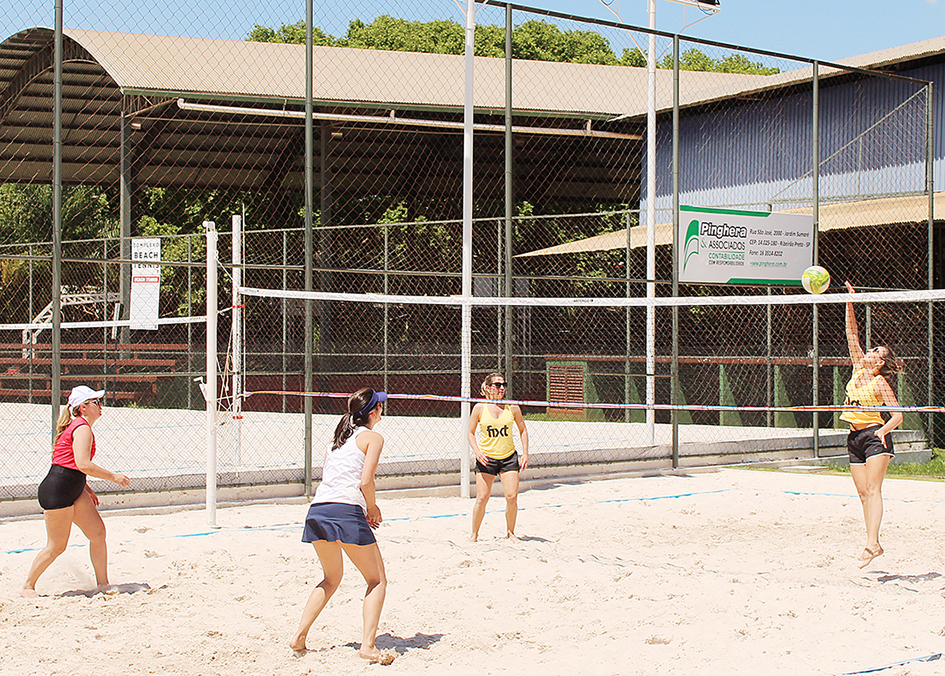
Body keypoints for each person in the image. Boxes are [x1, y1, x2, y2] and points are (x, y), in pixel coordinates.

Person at [291, 388, 389, 661]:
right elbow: (365, 482)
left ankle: (299, 637)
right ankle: (368, 646)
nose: (382, 408)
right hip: (345, 510)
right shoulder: (373, 438)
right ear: (373, 412)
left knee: (331, 578)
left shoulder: (336, 441)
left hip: (318, 510)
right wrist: (372, 509)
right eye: (380, 405)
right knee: (377, 580)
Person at [21, 385, 131, 597]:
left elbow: (72, 464)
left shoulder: (81, 426)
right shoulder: (81, 428)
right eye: (96, 402)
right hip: (57, 491)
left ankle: (103, 585)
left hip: (73, 487)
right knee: (56, 547)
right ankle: (28, 586)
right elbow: (83, 464)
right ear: (83, 408)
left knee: (98, 533)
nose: (101, 406)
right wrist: (113, 477)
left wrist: (85, 486)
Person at [841, 281, 903, 569]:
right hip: (854, 437)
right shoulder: (857, 368)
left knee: (874, 490)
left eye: (876, 350)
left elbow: (898, 416)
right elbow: (851, 333)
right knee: (863, 493)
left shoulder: (880, 382)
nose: (869, 349)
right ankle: (873, 544)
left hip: (875, 437)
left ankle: (871, 543)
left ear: (880, 362)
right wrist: (850, 301)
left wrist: (883, 431)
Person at [468, 372, 530, 541]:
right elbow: (470, 433)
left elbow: (523, 430)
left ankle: (510, 532)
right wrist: (477, 452)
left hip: (508, 457)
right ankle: (474, 534)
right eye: (497, 385)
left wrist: (525, 453)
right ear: (488, 388)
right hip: (487, 458)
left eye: (504, 385)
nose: (502, 388)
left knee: (512, 496)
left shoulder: (513, 407)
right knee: (482, 497)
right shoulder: (480, 408)